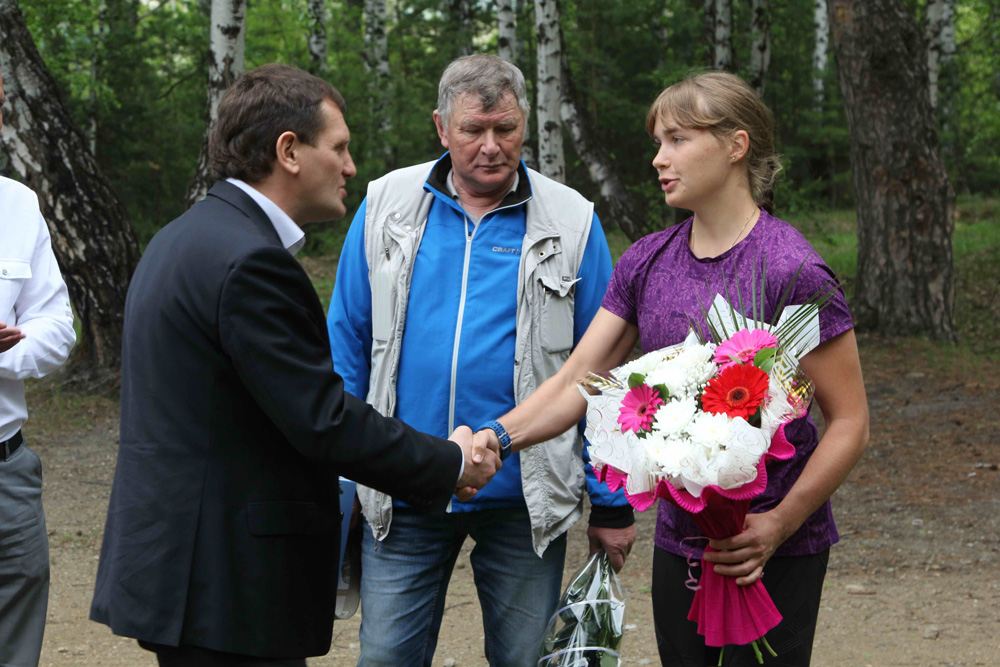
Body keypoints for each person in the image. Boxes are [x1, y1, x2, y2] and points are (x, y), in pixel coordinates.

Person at [89, 64, 500, 667]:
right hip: (228, 581)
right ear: (288, 151)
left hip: (182, 570)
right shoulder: (251, 261)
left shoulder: (181, 237)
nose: (351, 167)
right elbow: (322, 419)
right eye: (338, 148)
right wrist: (450, 462)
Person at [472, 71, 870, 666]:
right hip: (679, 543)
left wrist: (779, 524)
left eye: (678, 140)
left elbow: (850, 421)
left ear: (736, 146)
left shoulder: (793, 271)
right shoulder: (645, 261)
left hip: (773, 550)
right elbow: (581, 377)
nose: (659, 158)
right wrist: (498, 438)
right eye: (659, 141)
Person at [327, 54, 636, 667]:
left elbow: (605, 369)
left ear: (526, 125)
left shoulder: (573, 220)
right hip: (404, 481)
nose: (491, 147)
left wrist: (610, 498)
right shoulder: (385, 204)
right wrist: (342, 471)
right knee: (387, 658)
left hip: (526, 496)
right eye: (473, 130)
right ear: (442, 128)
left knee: (526, 659)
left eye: (507, 129)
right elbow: (348, 344)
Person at [0, 68, 78, 667]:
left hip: (7, 473)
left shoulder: (17, 205)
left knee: (17, 622)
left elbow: (57, 330)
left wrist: (11, 346)